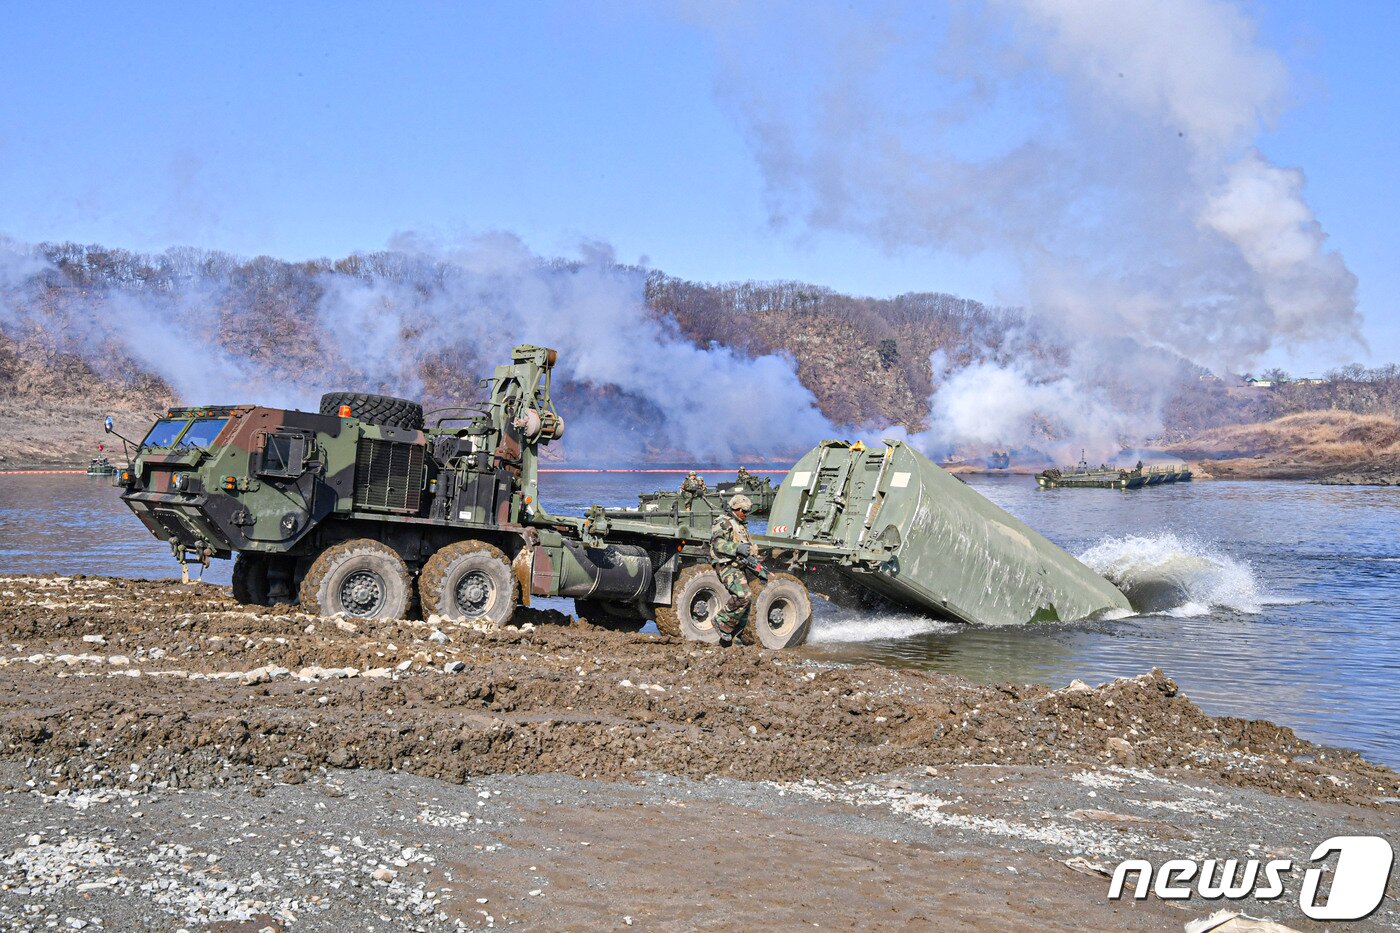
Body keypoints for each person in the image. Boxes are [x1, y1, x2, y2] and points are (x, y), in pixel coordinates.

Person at [709, 493, 757, 647]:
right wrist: (737, 548)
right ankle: (721, 620)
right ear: (735, 509)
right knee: (744, 596)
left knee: (747, 604)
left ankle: (734, 637)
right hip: (726, 565)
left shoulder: (741, 526)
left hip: (739, 566)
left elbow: (747, 549)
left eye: (747, 512)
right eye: (743, 511)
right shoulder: (723, 522)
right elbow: (718, 544)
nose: (745, 514)